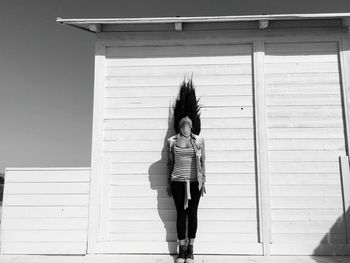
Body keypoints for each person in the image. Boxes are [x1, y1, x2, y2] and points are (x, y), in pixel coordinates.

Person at [166, 116, 206, 263]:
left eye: (189, 124)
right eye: (184, 125)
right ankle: (181, 250)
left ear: (191, 127)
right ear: (180, 127)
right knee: (181, 214)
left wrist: (204, 180)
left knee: (193, 213)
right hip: (177, 181)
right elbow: (169, 163)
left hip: (195, 182)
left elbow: (203, 161)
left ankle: (190, 249)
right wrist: (168, 183)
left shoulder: (199, 140)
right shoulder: (172, 141)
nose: (186, 126)